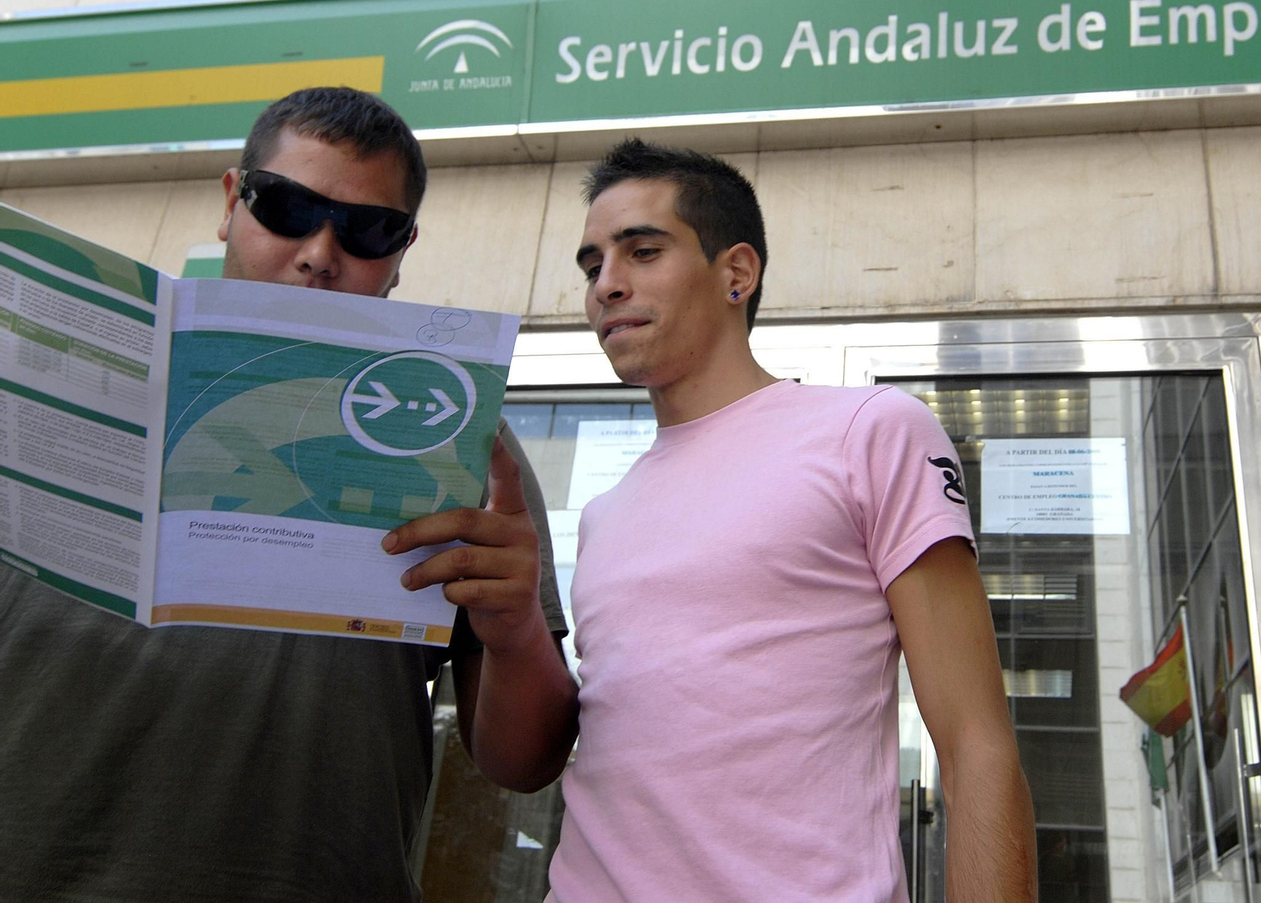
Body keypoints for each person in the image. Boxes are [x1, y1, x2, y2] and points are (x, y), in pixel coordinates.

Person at [0, 87, 578, 902]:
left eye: (366, 228)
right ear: (233, 200)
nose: (318, 251)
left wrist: (517, 628)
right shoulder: (42, 369)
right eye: (288, 206)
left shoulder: (460, 436)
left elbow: (524, 764)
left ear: (403, 248)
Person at [550, 138, 1037, 902]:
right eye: (591, 265)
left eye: (642, 251)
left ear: (736, 273)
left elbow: (975, 744)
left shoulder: (870, 430)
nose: (606, 285)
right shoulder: (603, 515)